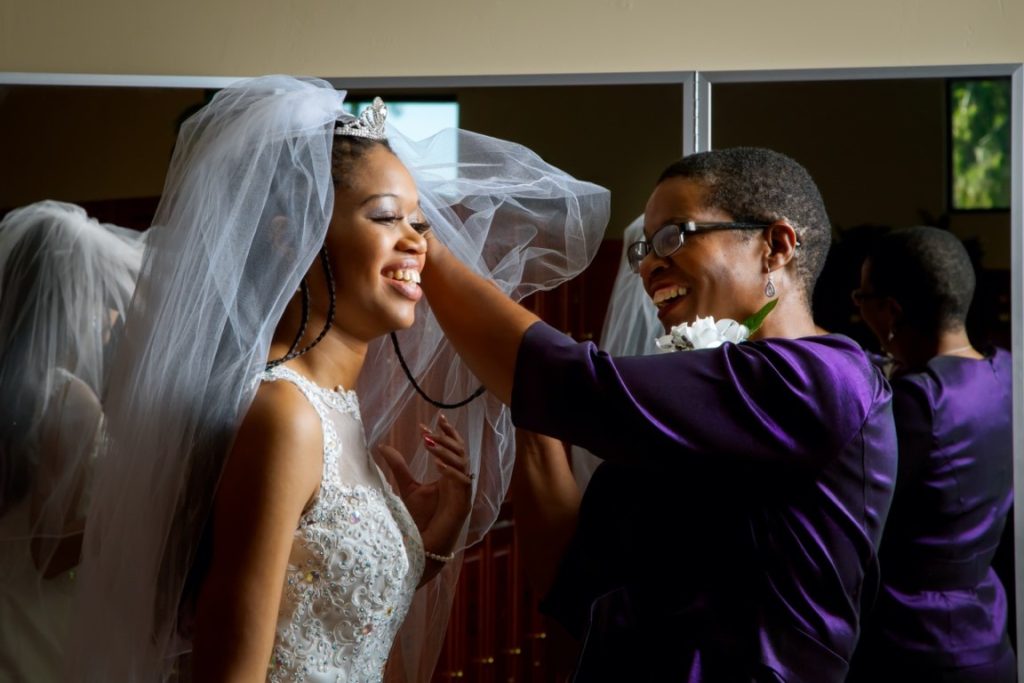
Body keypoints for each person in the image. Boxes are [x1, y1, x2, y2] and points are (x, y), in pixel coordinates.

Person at [65, 76, 609, 682]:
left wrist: (432, 536)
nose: (418, 242)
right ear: (294, 236)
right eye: (386, 217)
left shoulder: (332, 406)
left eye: (421, 224)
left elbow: (323, 611)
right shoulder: (284, 414)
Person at [420, 147, 898, 681]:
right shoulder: (706, 391)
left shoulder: (823, 380)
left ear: (777, 246)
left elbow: (574, 384)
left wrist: (423, 241)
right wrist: (532, 408)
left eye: (674, 235)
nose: (648, 264)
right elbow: (565, 573)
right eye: (644, 248)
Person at [848, 226, 1015, 682]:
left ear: (891, 310)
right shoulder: (1006, 371)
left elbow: (860, 513)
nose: (858, 311)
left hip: (916, 640)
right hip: (988, 626)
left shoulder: (917, 400)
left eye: (861, 298)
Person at [0, 201, 144, 681]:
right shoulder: (67, 397)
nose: (108, 315)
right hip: (41, 617)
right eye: (97, 294)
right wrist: (144, 515)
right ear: (69, 298)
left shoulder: (18, 389)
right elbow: (48, 554)